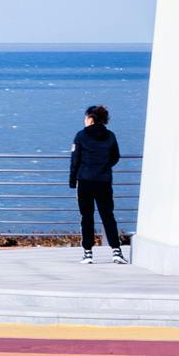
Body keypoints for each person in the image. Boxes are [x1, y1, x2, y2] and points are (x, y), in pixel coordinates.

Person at [68, 104, 126, 263]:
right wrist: (104, 167)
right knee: (108, 216)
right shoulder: (110, 136)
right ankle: (116, 251)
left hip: (85, 180)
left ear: (91, 119)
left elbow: (75, 160)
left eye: (86, 117)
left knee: (87, 216)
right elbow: (115, 157)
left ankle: (88, 253)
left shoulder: (81, 136)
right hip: (104, 181)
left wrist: (73, 180)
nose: (84, 120)